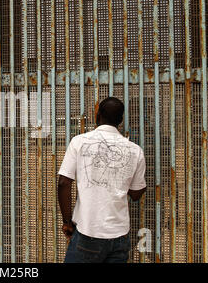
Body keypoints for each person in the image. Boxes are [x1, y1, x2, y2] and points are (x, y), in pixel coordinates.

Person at [58, 97, 146, 263]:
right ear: (120, 120)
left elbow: (64, 183)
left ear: (97, 116)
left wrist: (67, 222)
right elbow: (135, 194)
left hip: (88, 231)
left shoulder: (79, 142)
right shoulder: (136, 151)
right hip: (119, 235)